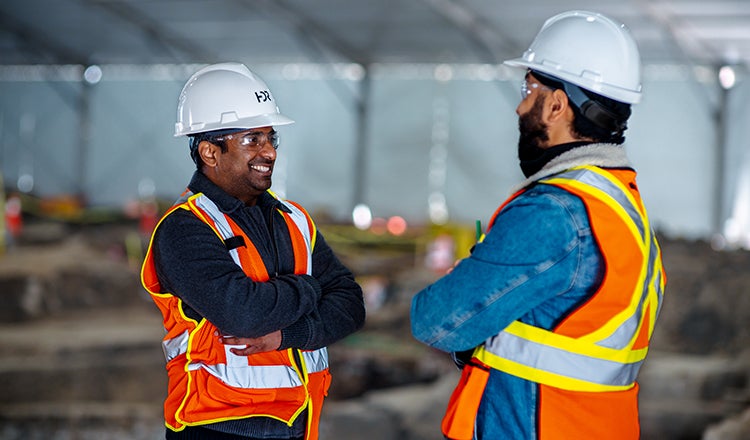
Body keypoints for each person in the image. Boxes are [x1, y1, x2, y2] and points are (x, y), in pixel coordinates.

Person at [411, 10, 666, 440]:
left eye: (529, 87)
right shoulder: (624, 207)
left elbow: (435, 319)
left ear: (556, 104)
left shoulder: (555, 212)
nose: (520, 103)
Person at [141, 62, 365, 440]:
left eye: (270, 138)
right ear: (210, 152)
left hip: (300, 420)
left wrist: (289, 334)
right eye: (252, 140)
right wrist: (311, 288)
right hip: (217, 426)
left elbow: (352, 305)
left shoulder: (294, 219)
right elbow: (244, 313)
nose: (269, 152)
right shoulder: (184, 228)